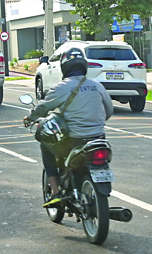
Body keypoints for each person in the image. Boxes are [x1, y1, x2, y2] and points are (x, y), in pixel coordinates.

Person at [23, 49, 114, 196]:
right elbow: (108, 111)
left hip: (73, 141)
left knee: (46, 147)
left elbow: (42, 108)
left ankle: (54, 190)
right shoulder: (97, 86)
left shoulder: (61, 88)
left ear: (64, 67)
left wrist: (30, 118)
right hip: (98, 139)